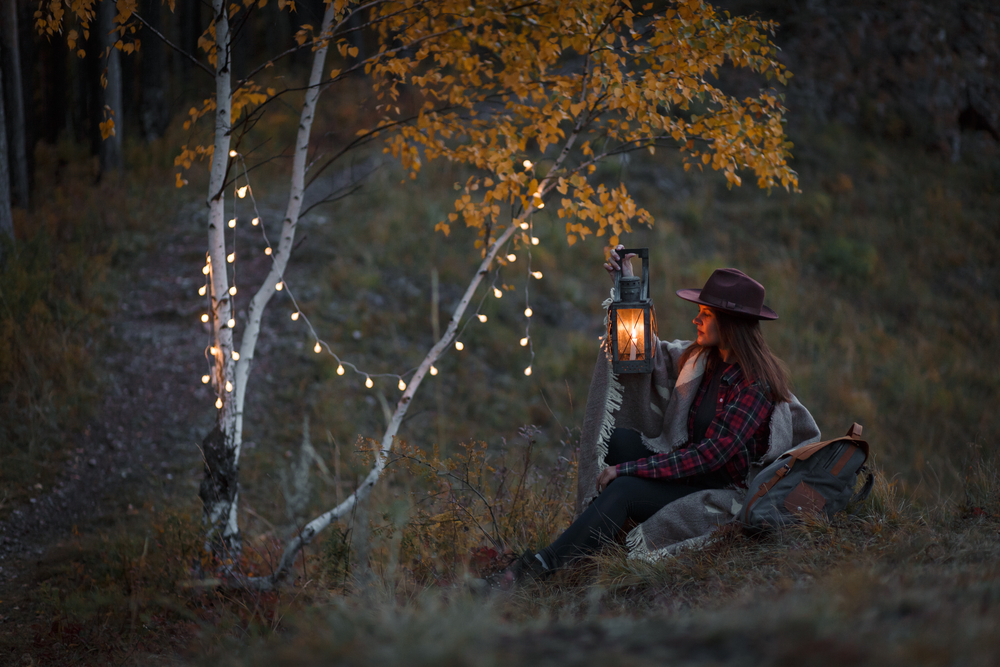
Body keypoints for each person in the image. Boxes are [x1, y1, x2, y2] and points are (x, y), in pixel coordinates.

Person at [483, 245, 796, 589]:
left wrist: (626, 470)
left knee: (626, 487)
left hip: (718, 490)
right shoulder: (705, 361)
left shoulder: (754, 386)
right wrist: (628, 287)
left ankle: (537, 571)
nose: (696, 319)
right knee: (619, 441)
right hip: (690, 471)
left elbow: (709, 457)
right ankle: (595, 536)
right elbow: (649, 350)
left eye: (705, 314)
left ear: (730, 324)